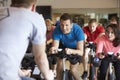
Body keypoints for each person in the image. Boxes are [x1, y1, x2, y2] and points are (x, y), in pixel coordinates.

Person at [0, 0, 54, 80]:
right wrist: (48, 75)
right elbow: (40, 57)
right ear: (33, 7)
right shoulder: (35, 18)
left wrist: (20, 72)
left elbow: (4, 51)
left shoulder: (2, 11)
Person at [50, 13, 85, 80]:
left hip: (76, 49)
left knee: (73, 70)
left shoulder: (78, 30)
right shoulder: (57, 30)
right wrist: (53, 49)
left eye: (67, 25)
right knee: (59, 65)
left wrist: (71, 51)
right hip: (64, 46)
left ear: (71, 25)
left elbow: (81, 52)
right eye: (62, 25)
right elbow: (55, 47)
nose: (64, 28)